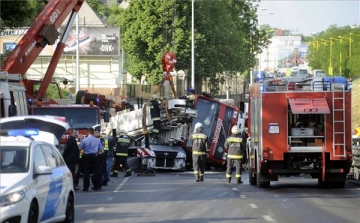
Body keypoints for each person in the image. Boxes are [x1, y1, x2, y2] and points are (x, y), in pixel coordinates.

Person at [78, 127, 103, 192]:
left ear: (88, 132)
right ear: (92, 132)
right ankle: (96, 187)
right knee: (96, 172)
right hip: (95, 156)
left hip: (86, 157)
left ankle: (86, 188)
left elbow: (80, 148)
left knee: (86, 173)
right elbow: (100, 149)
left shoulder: (84, 140)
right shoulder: (97, 140)